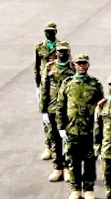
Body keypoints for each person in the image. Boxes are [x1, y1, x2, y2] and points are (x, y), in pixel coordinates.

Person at [56, 53, 104, 199]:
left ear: (88, 65)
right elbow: (60, 106)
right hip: (72, 129)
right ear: (74, 65)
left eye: (84, 63)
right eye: (79, 63)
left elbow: (100, 108)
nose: (82, 65)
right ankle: (75, 189)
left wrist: (100, 129)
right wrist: (61, 127)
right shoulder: (67, 84)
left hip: (89, 130)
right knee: (73, 160)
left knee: (90, 160)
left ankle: (89, 189)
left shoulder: (95, 84)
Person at [40, 41, 74, 182]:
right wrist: (43, 110)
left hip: (68, 110)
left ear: (68, 52)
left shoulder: (73, 68)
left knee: (68, 140)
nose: (62, 53)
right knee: (55, 139)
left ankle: (67, 167)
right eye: (60, 51)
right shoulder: (49, 68)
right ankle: (57, 167)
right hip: (53, 108)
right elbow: (44, 89)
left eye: (65, 51)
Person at [35, 22, 61, 161]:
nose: (48, 33)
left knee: (57, 116)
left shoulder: (61, 46)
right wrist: (37, 86)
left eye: (51, 31)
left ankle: (58, 147)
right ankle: (48, 146)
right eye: (46, 31)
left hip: (58, 83)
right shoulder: (40, 47)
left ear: (55, 32)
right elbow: (37, 66)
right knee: (46, 117)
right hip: (45, 83)